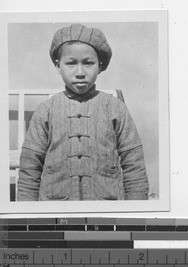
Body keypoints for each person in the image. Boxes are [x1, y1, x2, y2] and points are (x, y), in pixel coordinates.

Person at [17, 23, 149, 201]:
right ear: (58, 66)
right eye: (71, 63)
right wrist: (28, 214)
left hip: (106, 212)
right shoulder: (46, 110)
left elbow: (134, 164)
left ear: (100, 66)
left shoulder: (115, 108)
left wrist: (136, 211)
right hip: (56, 211)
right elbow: (30, 167)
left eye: (88, 63)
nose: (80, 72)